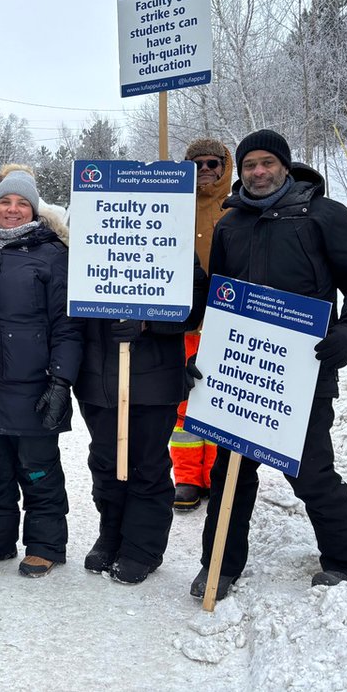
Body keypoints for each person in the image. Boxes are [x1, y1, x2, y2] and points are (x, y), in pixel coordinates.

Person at [191, 130, 347, 600]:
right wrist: (206, 351)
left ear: (284, 165)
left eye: (267, 163)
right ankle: (218, 563)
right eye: (250, 164)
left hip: (303, 370)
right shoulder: (230, 223)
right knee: (230, 472)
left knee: (310, 469)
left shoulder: (322, 215)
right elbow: (219, 295)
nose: (258, 172)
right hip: (241, 371)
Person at [0, 165, 83, 578]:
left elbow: (68, 326)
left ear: (34, 210)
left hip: (33, 386)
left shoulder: (53, 255)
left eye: (21, 203)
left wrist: (60, 382)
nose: (12, 210)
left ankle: (45, 544)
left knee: (37, 469)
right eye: (4, 202)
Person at [74, 244, 207, 584]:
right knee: (105, 460)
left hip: (155, 376)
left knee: (146, 463)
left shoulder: (172, 241)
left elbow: (194, 309)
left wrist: (149, 320)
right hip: (99, 374)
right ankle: (111, 534)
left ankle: (141, 546)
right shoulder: (90, 238)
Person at [171, 139, 233, 511]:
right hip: (183, 322)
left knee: (220, 401)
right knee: (184, 401)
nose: (205, 169)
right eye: (197, 163)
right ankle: (188, 476)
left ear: (226, 166)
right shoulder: (174, 205)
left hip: (225, 321)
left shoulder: (238, 207)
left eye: (213, 162)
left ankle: (218, 474)